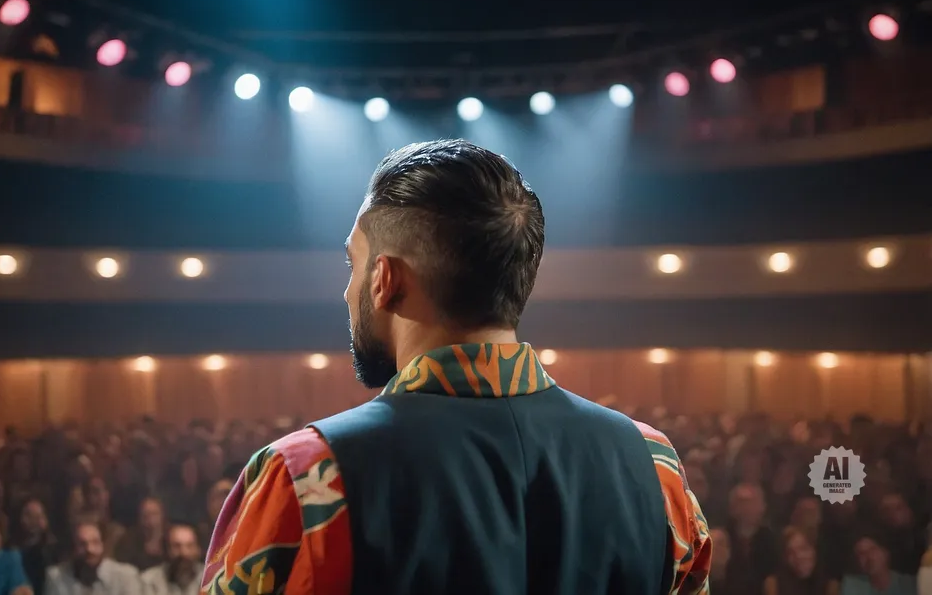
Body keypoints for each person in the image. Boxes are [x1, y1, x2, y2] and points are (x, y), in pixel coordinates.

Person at [201, 139, 711, 595]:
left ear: (383, 279)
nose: (347, 291)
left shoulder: (309, 474)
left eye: (353, 265)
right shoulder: (653, 466)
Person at [44, 520, 142, 595]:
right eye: (82, 544)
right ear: (73, 547)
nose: (89, 549)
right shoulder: (56, 577)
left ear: (103, 545)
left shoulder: (125, 576)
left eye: (95, 542)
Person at [140, 524, 203, 595]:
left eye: (189, 546)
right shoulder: (149, 581)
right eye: (177, 546)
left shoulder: (210, 580)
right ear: (167, 549)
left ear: (198, 550)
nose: (184, 552)